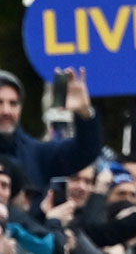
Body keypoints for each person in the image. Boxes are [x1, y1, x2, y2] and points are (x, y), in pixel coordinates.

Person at [0, 68, 102, 198]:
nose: (6, 111)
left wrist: (85, 114)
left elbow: (86, 151)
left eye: (13, 103)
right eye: (0, 102)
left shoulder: (36, 153)